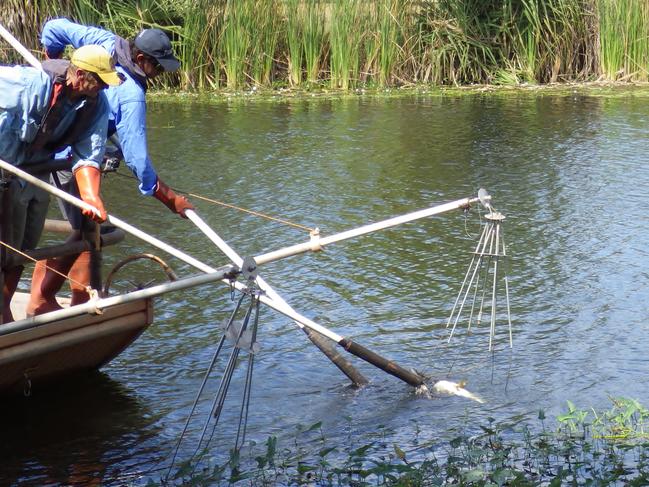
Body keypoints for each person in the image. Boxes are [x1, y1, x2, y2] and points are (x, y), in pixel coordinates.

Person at [28, 18, 194, 315]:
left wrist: (50, 57)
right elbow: (138, 161)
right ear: (141, 59)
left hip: (68, 146)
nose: (157, 75)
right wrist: (171, 200)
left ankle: (78, 296)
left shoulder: (105, 42)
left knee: (90, 228)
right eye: (156, 67)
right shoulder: (132, 96)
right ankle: (44, 296)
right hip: (72, 158)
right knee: (88, 229)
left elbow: (53, 28)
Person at [0, 44, 122, 323]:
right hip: (4, 170)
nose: (103, 88)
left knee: (24, 246)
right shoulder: (29, 84)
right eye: (99, 81)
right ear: (79, 74)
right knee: (4, 244)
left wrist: (91, 197)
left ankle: (3, 306)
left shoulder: (95, 105)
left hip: (35, 172)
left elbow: (88, 155)